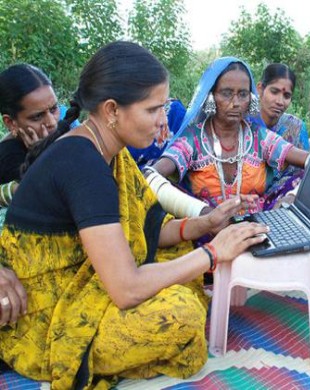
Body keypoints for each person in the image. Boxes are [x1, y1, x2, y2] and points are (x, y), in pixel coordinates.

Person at [0, 41, 269, 389]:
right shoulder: (83, 163)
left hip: (92, 280)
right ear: (112, 110)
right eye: (153, 110)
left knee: (178, 258)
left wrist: (206, 224)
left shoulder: (110, 151)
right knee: (181, 315)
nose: (162, 121)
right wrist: (214, 253)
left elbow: (147, 230)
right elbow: (126, 289)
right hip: (46, 315)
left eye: (164, 108)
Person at [152, 57, 308, 213]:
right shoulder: (193, 139)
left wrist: (290, 197)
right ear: (211, 96)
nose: (236, 103)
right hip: (205, 229)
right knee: (163, 187)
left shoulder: (259, 136)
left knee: (300, 177)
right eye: (227, 93)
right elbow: (152, 174)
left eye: (243, 94)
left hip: (256, 226)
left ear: (250, 98)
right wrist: (207, 216)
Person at [0, 64, 80, 208]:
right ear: (11, 122)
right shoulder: (9, 158)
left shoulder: (62, 127)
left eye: (54, 109)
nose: (51, 122)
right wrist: (40, 157)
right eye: (37, 116)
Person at [250, 63, 310, 209]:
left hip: (283, 202)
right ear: (260, 89)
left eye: (286, 95)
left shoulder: (295, 127)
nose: (280, 101)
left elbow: (305, 172)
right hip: (246, 199)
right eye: (274, 91)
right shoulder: (245, 123)